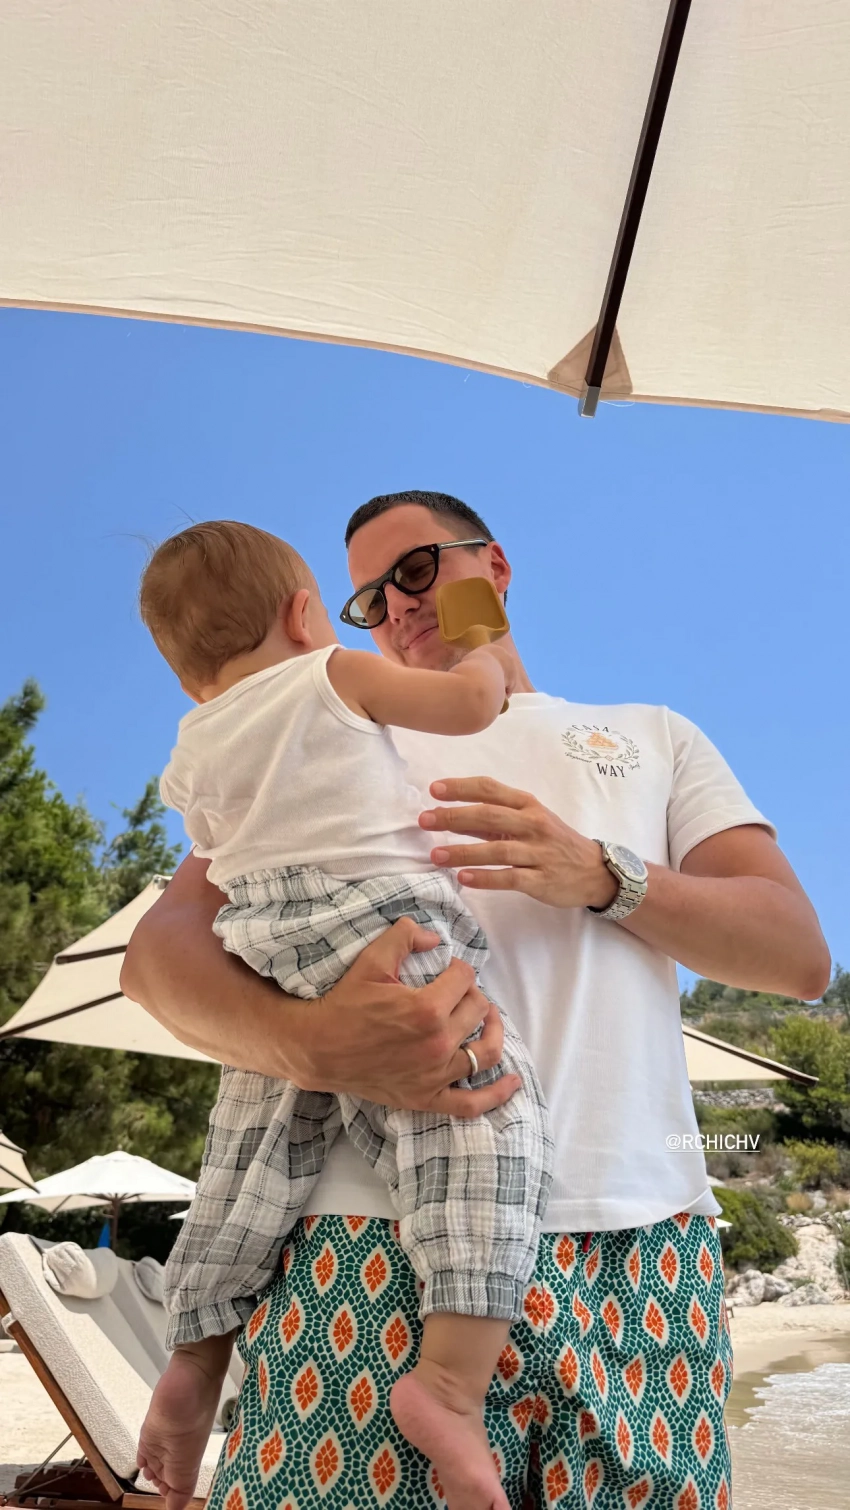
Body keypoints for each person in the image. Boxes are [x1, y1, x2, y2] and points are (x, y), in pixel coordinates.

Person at [123, 492, 830, 1510]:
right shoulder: (329, 720)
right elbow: (157, 959)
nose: (395, 606)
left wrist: (603, 873)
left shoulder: (651, 736)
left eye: (416, 570)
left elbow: (797, 955)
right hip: (367, 1244)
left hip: (640, 1245)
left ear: (492, 565)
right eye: (367, 599)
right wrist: (311, 1043)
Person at [135, 520, 553, 1510]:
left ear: (186, 672)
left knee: (251, 1151)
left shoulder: (193, 745)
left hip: (264, 944)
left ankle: (195, 1355)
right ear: (303, 613)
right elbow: (474, 702)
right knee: (486, 1120)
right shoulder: (330, 673)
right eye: (352, 601)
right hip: (380, 922)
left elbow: (221, 861)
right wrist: (477, 636)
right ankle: (448, 1385)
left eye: (420, 575)